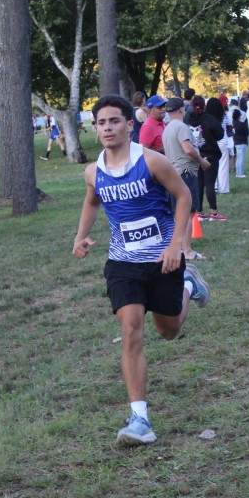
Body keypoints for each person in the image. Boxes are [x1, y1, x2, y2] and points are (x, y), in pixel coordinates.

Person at [73, 94, 210, 447]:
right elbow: (92, 200)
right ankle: (140, 420)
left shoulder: (152, 161)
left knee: (169, 331)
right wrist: (81, 235)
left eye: (114, 121)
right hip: (123, 263)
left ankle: (189, 285)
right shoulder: (93, 172)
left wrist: (176, 245)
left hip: (163, 259)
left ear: (129, 125)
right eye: (101, 123)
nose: (107, 128)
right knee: (131, 328)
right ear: (95, 129)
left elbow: (183, 196)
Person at [163, 97, 210, 260]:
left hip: (172, 174)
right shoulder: (181, 127)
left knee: (178, 213)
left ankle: (179, 248)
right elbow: (188, 149)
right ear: (181, 110)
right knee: (189, 213)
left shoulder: (167, 128)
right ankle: (187, 251)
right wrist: (202, 161)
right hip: (185, 172)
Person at [191, 96, 226, 220]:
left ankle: (199, 211)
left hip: (195, 155)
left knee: (199, 184)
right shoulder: (209, 119)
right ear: (204, 106)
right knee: (210, 183)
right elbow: (220, 134)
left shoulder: (187, 120)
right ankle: (213, 212)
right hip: (210, 154)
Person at [232, 104, 249, 178]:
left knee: (238, 158)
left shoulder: (233, 124)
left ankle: (237, 173)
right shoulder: (241, 124)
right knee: (242, 158)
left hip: (236, 141)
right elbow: (246, 132)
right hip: (242, 141)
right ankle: (241, 173)